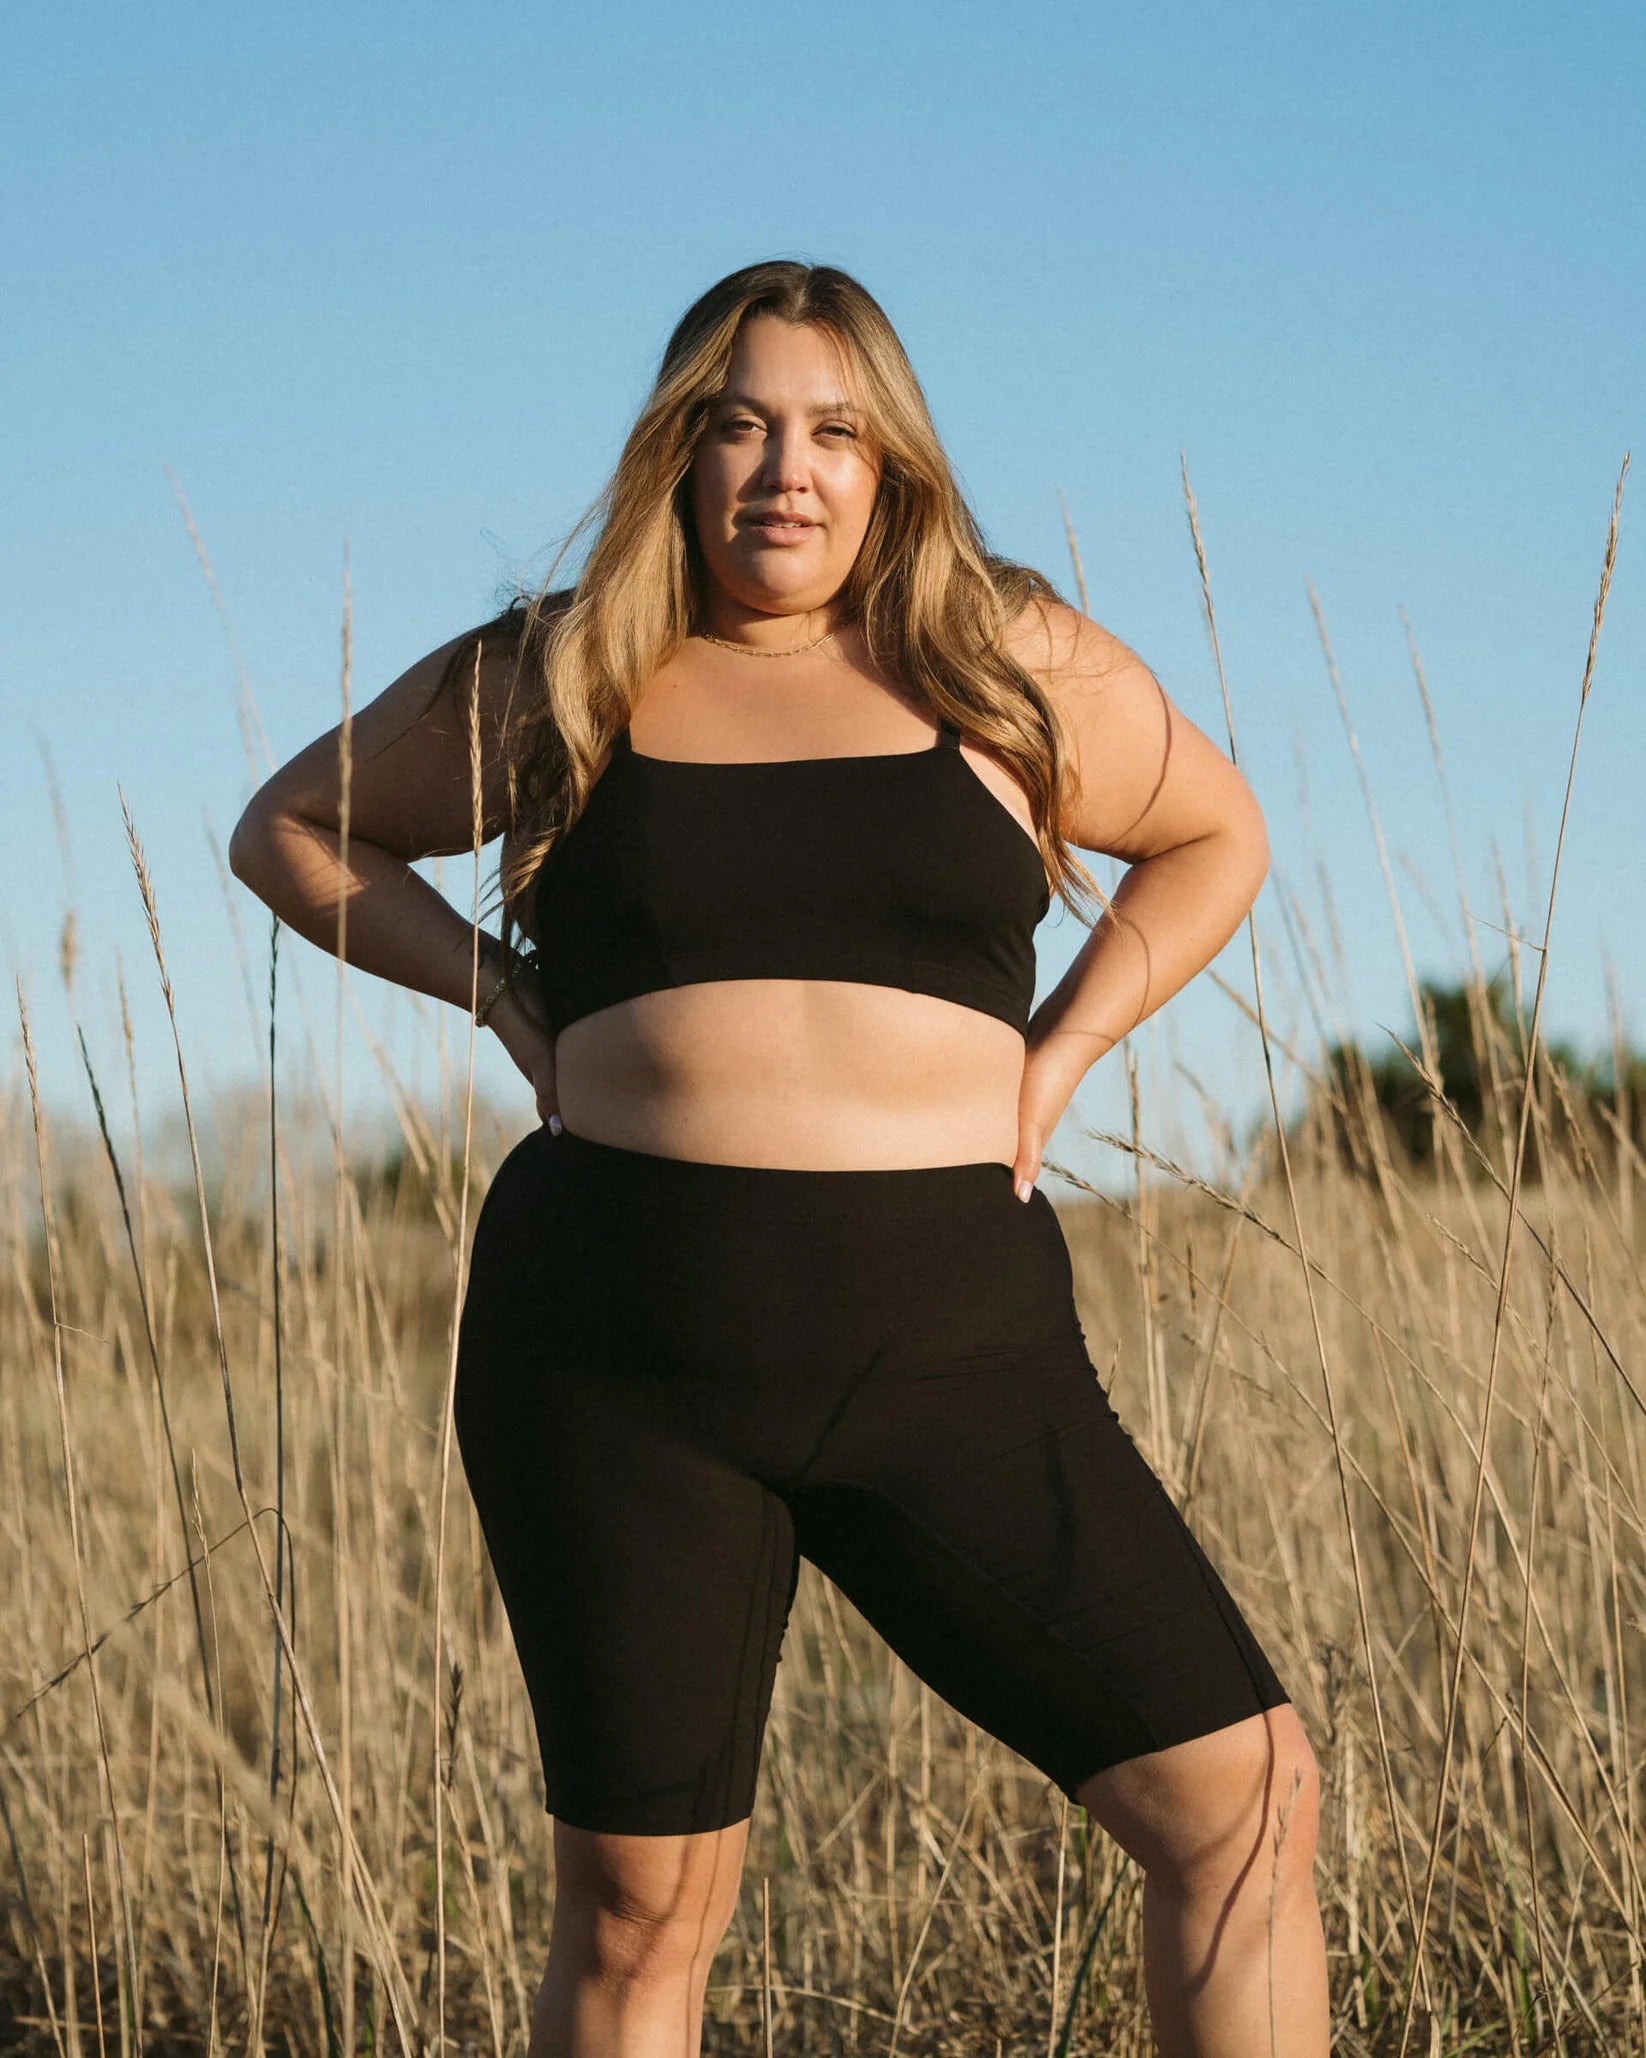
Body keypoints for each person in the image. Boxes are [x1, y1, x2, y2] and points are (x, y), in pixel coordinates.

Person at [230, 259, 1328, 2058]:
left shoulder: (1004, 656)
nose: (784, 471)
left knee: (1245, 1805)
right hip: (615, 1360)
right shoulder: (565, 665)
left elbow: (1215, 834)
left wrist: (1060, 1055)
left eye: (832, 431)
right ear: (680, 450)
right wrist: (500, 995)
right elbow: (291, 826)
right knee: (645, 1907)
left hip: (954, 1355)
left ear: (891, 461)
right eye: (738, 425)